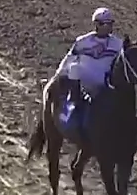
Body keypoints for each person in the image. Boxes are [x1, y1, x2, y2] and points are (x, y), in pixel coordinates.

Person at [51, 8, 124, 137]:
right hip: (83, 84)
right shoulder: (82, 42)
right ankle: (70, 111)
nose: (107, 27)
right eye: (103, 24)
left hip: (105, 84)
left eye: (109, 24)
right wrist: (58, 75)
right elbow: (69, 59)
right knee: (74, 68)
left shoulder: (118, 44)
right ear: (96, 24)